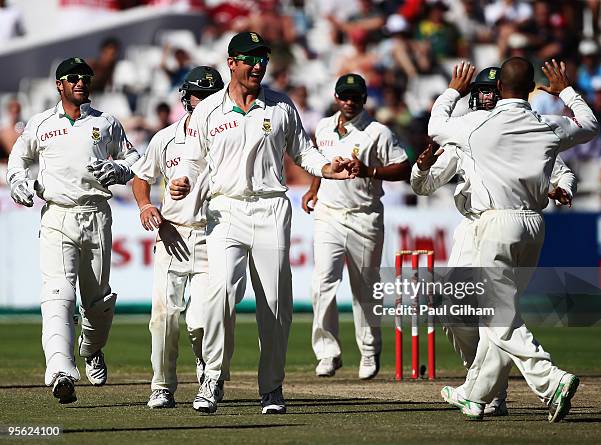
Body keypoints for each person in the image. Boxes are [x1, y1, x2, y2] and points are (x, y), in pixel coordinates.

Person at [169, 31, 356, 415]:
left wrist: (327, 168)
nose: (258, 65)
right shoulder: (207, 111)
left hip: (271, 208)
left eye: (263, 59)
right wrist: (182, 178)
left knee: (274, 305)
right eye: (250, 59)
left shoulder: (281, 106)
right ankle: (212, 379)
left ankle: (271, 387)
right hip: (225, 210)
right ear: (231, 62)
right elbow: (192, 158)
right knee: (218, 295)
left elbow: (303, 152)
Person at [427, 58, 599, 422]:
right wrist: (566, 89)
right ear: (531, 88)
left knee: (496, 316)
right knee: (501, 314)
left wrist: (453, 91)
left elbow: (435, 126)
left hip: (496, 223)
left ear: (501, 88)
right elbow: (590, 124)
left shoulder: (476, 123)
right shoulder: (545, 124)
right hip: (534, 226)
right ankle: (475, 395)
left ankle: (551, 380)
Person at [6, 57, 139, 404]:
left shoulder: (106, 123)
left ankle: (92, 349)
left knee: (97, 302)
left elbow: (136, 161)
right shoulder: (40, 124)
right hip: (57, 216)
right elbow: (18, 160)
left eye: (86, 77)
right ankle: (61, 370)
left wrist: (119, 169)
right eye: (73, 78)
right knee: (57, 294)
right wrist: (18, 181)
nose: (81, 82)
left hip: (96, 215)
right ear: (59, 84)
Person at [301, 73, 410, 379]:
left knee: (364, 290)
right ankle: (327, 352)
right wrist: (313, 188)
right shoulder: (323, 126)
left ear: (364, 99)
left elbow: (403, 167)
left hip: (364, 215)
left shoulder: (378, 132)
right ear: (336, 97)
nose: (349, 102)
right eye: (344, 96)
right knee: (322, 283)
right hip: (329, 214)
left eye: (355, 97)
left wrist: (370, 170)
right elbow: (317, 160)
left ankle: (369, 351)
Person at [131, 66, 224, 409]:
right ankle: (162, 386)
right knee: (164, 316)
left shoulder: (227, 137)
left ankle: (208, 373)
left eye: (212, 97)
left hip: (214, 236)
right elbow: (141, 177)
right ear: (186, 98)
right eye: (199, 96)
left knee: (200, 321)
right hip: (171, 235)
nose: (205, 104)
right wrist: (145, 206)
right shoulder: (166, 138)